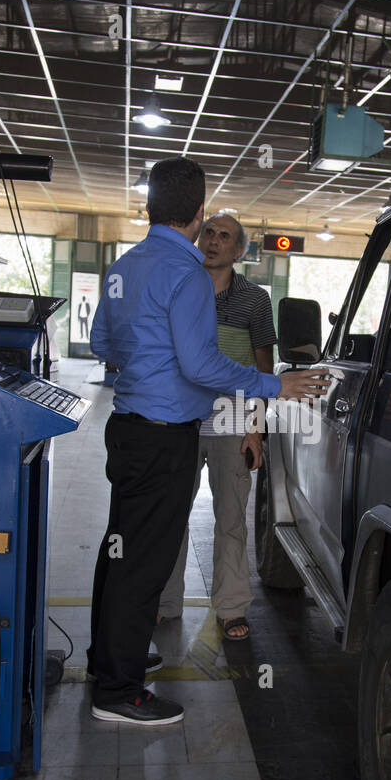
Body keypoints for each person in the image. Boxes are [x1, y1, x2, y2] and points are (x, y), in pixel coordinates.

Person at [87, 157, 328, 726]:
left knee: (119, 550)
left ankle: (109, 660)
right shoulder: (188, 273)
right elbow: (200, 365)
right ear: (197, 215)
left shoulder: (126, 264)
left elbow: (101, 341)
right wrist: (274, 385)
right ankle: (118, 692)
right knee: (144, 562)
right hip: (165, 433)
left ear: (149, 207)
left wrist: (147, 362)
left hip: (128, 430)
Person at [158, 214, 271, 642]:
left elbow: (264, 367)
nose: (213, 241)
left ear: (239, 251)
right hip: (182, 416)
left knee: (230, 519)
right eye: (208, 232)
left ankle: (231, 607)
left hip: (233, 416)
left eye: (225, 237)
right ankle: (165, 602)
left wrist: (256, 428)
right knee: (171, 514)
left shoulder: (254, 301)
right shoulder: (181, 288)